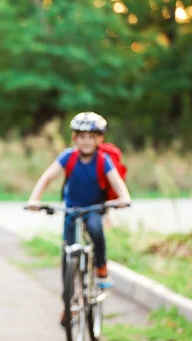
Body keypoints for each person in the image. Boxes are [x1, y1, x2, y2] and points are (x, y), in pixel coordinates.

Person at [26, 112, 131, 290]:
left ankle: (101, 267)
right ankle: (68, 302)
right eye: (82, 136)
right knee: (67, 255)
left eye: (91, 136)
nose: (86, 141)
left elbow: (118, 185)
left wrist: (124, 198)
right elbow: (46, 178)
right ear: (74, 138)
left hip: (94, 208)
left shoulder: (102, 160)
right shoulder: (68, 157)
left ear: (100, 139)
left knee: (96, 230)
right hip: (71, 210)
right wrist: (34, 199)